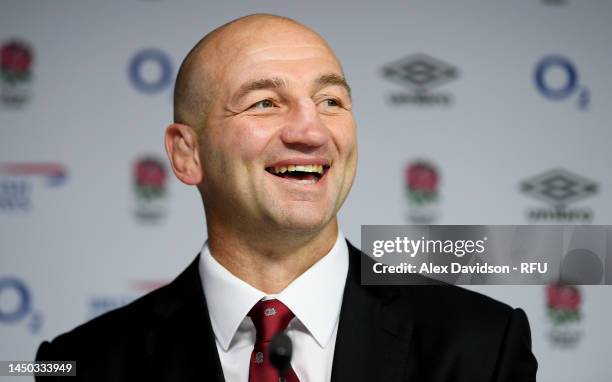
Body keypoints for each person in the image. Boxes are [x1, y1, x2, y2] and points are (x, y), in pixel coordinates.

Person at [36, 14, 537, 381]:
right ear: (187, 154)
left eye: (330, 101)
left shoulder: (482, 345)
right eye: (265, 103)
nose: (310, 130)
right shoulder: (83, 364)